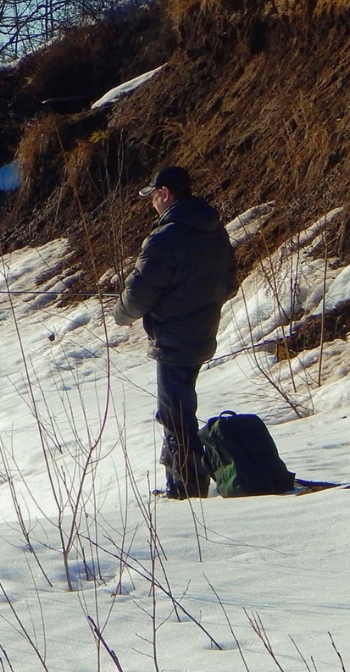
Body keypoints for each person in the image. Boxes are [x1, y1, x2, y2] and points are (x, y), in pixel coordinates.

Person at [113, 166, 237, 499]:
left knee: (175, 416)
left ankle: (186, 489)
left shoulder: (165, 237)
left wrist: (122, 313)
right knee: (180, 409)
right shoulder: (214, 230)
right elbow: (230, 281)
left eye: (154, 196)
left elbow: (140, 291)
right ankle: (184, 483)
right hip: (203, 331)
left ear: (165, 194)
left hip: (173, 339)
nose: (153, 203)